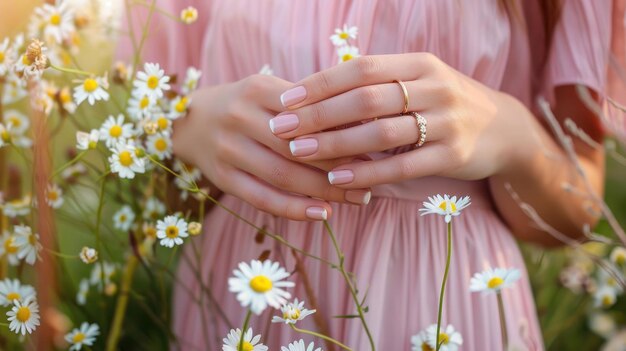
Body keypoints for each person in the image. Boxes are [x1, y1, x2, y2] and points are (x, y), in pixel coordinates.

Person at [121, 0, 624, 349]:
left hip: (442, 296)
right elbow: (157, 195)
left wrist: (513, 134)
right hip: (245, 289)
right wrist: (181, 127)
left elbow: (575, 212)